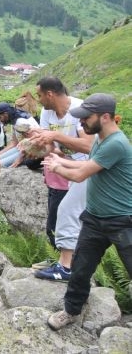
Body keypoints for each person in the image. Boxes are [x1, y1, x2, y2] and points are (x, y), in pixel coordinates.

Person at [44, 93, 132, 331]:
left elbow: (81, 175)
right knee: (80, 268)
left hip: (122, 220)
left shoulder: (116, 143)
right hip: (94, 218)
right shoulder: (100, 140)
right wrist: (58, 159)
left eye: (85, 118)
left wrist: (57, 167)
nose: (81, 122)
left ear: (105, 117)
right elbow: (85, 164)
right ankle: (70, 311)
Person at [28, 78, 92, 281]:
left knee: (70, 213)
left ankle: (67, 267)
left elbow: (89, 146)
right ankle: (66, 261)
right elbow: (51, 146)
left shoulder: (79, 109)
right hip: (60, 168)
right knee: (58, 217)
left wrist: (55, 136)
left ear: (50, 94)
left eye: (39, 95)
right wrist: (36, 145)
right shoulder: (47, 113)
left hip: (85, 169)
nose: (38, 100)